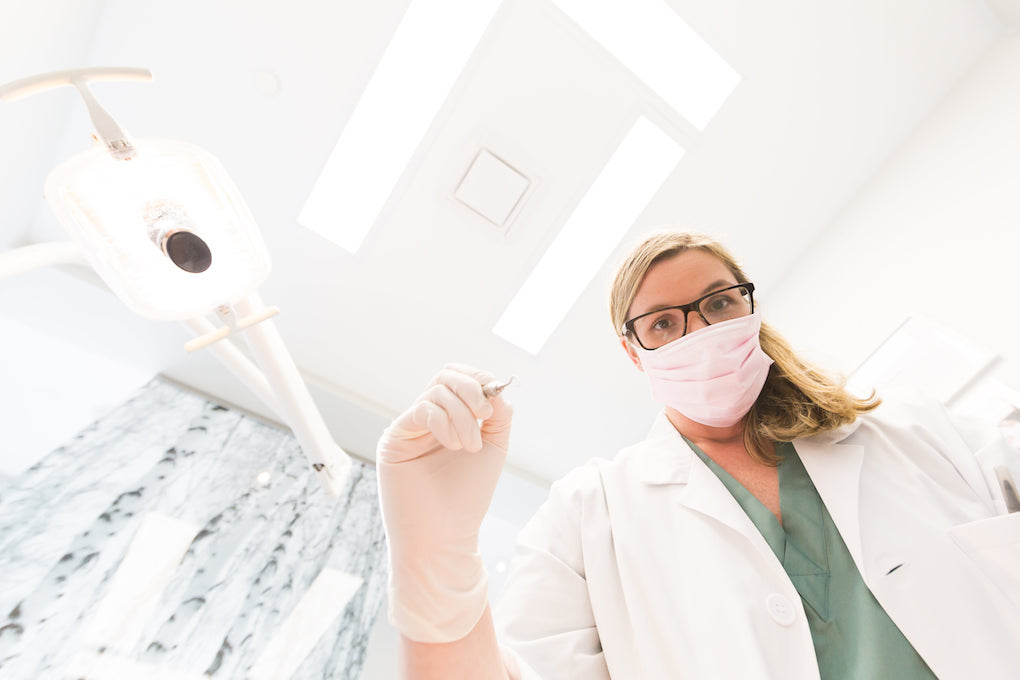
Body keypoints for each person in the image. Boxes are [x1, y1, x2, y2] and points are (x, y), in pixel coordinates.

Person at [376, 230, 1020, 679]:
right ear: (634, 352)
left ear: (749, 304)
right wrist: (435, 556)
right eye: (663, 323)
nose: (702, 332)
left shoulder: (908, 430)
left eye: (717, 303)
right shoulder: (588, 513)